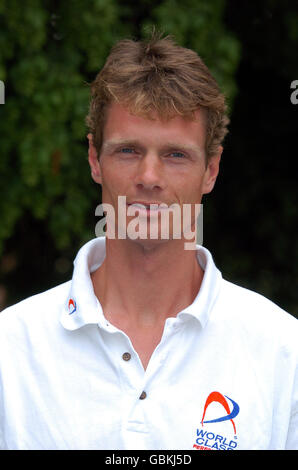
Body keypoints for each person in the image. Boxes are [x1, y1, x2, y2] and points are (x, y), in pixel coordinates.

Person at [0, 32, 297, 451]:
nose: (149, 177)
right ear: (93, 159)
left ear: (211, 170)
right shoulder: (12, 350)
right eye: (127, 151)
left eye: (176, 155)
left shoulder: (282, 351)